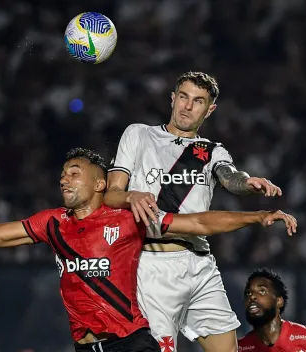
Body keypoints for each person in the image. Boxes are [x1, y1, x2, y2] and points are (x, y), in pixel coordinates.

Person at [0, 148, 296, 352]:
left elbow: (197, 223)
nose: (64, 179)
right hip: (85, 346)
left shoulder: (128, 219)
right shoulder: (53, 222)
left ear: (99, 184)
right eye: (62, 174)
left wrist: (256, 216)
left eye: (75, 173)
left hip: (130, 342)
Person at [105, 71, 285, 352]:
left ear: (209, 109)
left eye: (198, 101)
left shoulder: (212, 151)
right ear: (173, 98)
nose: (187, 107)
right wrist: (130, 195)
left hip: (200, 263)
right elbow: (111, 195)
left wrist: (248, 183)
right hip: (151, 265)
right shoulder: (139, 134)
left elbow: (230, 176)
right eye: (184, 97)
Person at [239, 268, 306, 351]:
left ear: (279, 301)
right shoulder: (241, 348)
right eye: (248, 293)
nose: (252, 296)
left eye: (262, 291)